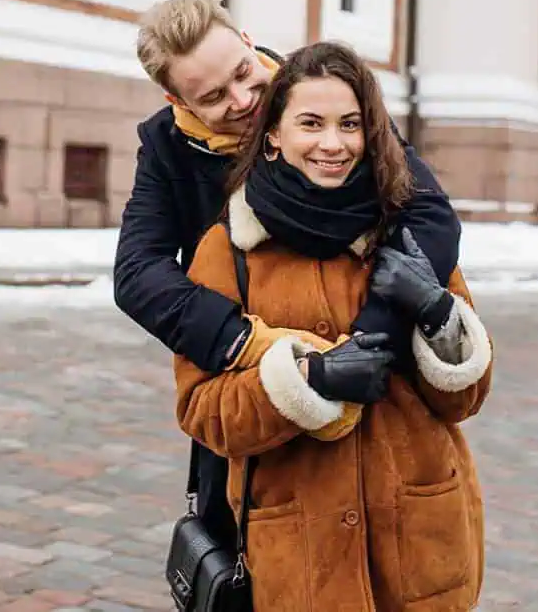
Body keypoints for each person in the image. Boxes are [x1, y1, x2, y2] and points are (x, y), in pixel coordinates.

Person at [114, 0, 461, 545]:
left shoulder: (326, 98)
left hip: (378, 412)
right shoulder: (168, 148)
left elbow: (428, 213)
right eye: (214, 96)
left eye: (244, 73)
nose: (245, 98)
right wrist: (255, 346)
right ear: (175, 99)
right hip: (254, 405)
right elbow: (137, 274)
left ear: (248, 42)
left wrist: (372, 336)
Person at [174, 41, 493, 610]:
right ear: (272, 134)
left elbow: (465, 400)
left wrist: (436, 312)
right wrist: (308, 382)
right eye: (311, 123)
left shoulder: (407, 226)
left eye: (350, 124)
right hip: (300, 563)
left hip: (421, 547)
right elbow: (203, 411)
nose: (333, 143)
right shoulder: (229, 249)